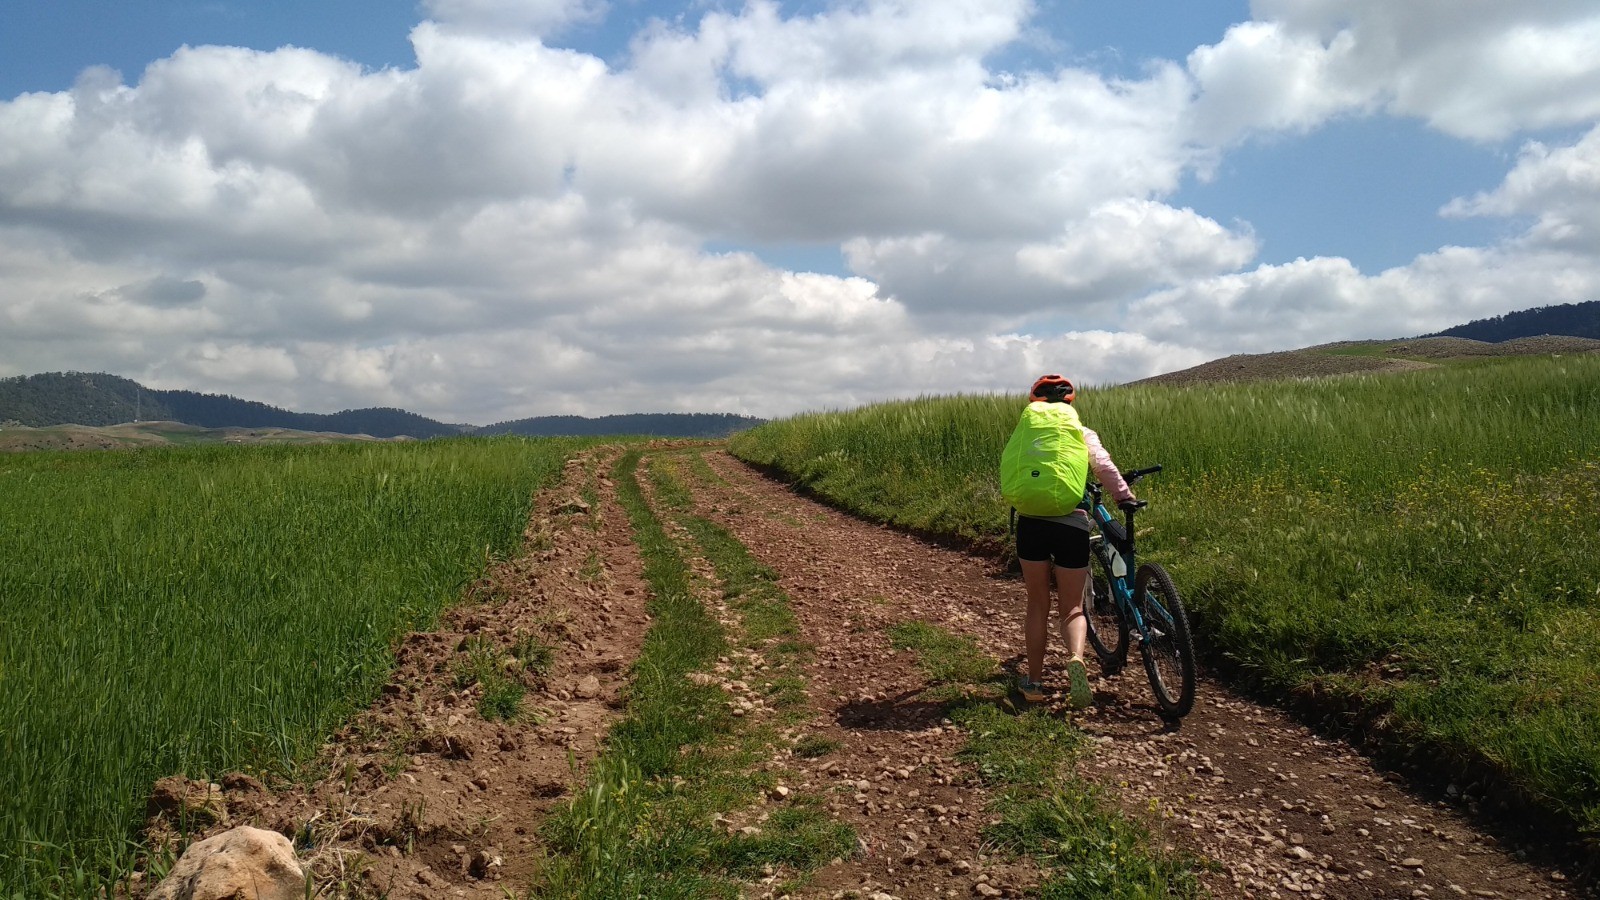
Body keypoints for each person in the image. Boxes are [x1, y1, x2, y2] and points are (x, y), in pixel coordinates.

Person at [1003, 374, 1134, 707]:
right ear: (1069, 402)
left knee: (1037, 603)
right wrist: (1123, 496)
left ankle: (1034, 683)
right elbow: (1103, 465)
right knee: (1072, 607)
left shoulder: (1026, 433)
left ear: (1034, 402)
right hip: (1072, 522)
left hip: (1031, 523)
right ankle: (1075, 657)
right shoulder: (1080, 430)